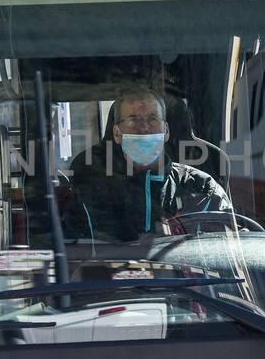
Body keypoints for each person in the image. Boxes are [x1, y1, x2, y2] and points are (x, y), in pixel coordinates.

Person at [63, 85, 232, 243]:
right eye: (133, 120)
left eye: (152, 119)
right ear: (116, 133)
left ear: (166, 131)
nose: (143, 128)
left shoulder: (202, 187)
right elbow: (73, 252)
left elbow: (232, 249)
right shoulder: (89, 191)